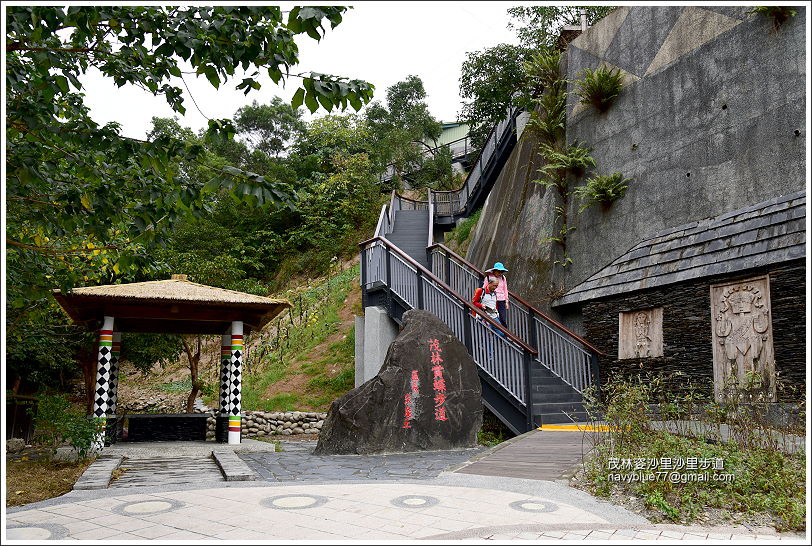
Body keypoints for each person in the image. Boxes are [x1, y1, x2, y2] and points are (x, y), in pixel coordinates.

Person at [483, 262, 509, 328]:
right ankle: (495, 331)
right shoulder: (488, 277)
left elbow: (505, 289)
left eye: (501, 271)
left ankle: (503, 333)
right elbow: (484, 289)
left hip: (501, 300)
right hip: (492, 300)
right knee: (494, 317)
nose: (500, 273)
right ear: (494, 270)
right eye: (499, 271)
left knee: (502, 318)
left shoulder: (503, 278)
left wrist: (506, 301)